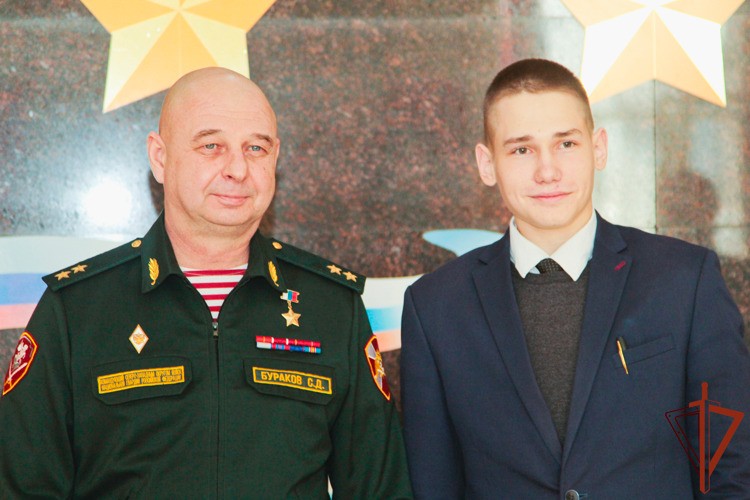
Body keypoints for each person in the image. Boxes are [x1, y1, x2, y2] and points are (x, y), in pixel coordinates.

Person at [0, 67, 412, 498]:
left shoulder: (332, 307)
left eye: (256, 147)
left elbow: (380, 489)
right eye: (211, 146)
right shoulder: (77, 310)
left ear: (275, 158)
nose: (237, 168)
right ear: (160, 158)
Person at [400, 58, 750, 498]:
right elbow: (432, 484)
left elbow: (732, 467)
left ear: (598, 148)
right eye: (521, 150)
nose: (547, 171)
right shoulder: (435, 306)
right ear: (487, 164)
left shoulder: (685, 280)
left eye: (566, 143)